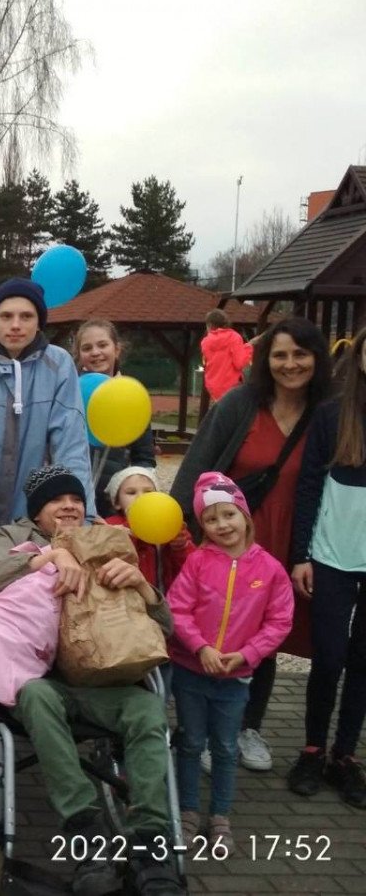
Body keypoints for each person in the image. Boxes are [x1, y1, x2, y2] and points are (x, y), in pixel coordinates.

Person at [0, 465, 184, 896]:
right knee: (36, 698)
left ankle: (150, 842)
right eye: (57, 499)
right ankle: (86, 831)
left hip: (105, 677)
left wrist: (143, 587)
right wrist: (48, 556)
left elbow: (165, 629)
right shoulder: (14, 535)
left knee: (148, 709)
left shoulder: (105, 537)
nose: (69, 506)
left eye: (76, 499)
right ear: (37, 510)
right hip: (44, 679)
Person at [171, 316, 331, 772]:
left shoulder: (327, 411)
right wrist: (176, 526)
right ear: (265, 359)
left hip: (290, 540)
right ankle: (199, 730)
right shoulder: (240, 404)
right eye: (280, 354)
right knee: (211, 626)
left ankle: (247, 726)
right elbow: (198, 462)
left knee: (264, 633)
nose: (290, 364)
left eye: (300, 354)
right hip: (229, 536)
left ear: (317, 359)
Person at [167, 472, 293, 846]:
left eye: (229, 514)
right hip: (191, 672)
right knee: (191, 743)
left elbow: (279, 621)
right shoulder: (197, 562)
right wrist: (200, 647)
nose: (222, 525)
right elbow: (177, 609)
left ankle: (220, 815)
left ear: (244, 515)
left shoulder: (270, 569)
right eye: (211, 519)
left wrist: (247, 654)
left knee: (224, 748)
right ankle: (188, 810)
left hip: (235, 678)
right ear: (202, 525)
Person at [0, 278, 94, 556]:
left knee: (26, 582)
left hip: (27, 517)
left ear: (39, 322)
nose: (15, 325)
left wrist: (84, 514)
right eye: (6, 316)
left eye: (26, 316)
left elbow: (71, 445)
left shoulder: (58, 364)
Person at [287, 326, 366, 810]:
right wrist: (300, 554)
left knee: (362, 663)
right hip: (332, 555)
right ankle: (313, 749)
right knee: (330, 658)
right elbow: (309, 487)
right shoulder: (332, 415)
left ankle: (345, 755)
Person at [72, 319, 157, 516]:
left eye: (102, 345)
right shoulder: (69, 392)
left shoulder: (132, 397)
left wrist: (134, 495)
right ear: (79, 355)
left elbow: (144, 457)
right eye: (87, 348)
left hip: (113, 503)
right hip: (72, 498)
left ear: (117, 349)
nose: (95, 352)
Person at [104, 467, 194, 592]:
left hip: (166, 597)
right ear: (117, 503)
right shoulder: (111, 526)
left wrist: (180, 546)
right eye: (131, 493)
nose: (140, 497)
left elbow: (191, 567)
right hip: (132, 598)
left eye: (148, 492)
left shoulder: (167, 523)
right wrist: (133, 527)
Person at [200, 309, 255, 402]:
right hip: (232, 386)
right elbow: (240, 363)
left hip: (213, 386)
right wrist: (249, 348)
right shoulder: (234, 337)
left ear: (209, 325)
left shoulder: (205, 342)